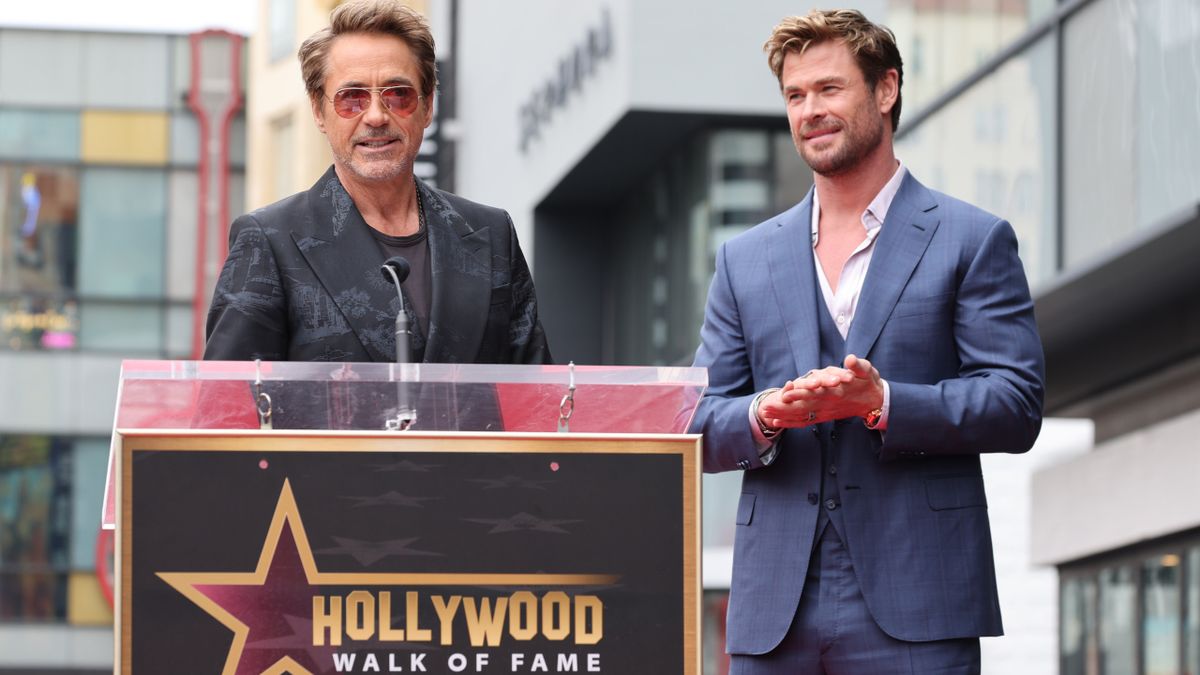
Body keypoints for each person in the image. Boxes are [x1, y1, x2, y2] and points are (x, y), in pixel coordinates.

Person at [689, 9, 1044, 674]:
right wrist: (765, 413)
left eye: (829, 89)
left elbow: (1017, 400)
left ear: (886, 89)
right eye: (795, 95)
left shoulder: (971, 238)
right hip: (775, 609)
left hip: (920, 597)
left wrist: (884, 400)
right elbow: (697, 421)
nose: (810, 111)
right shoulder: (745, 259)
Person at [204, 0, 550, 366]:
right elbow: (228, 407)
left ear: (427, 105)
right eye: (351, 98)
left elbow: (539, 398)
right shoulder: (269, 240)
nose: (375, 116)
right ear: (319, 112)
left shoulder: (491, 233)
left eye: (397, 95)